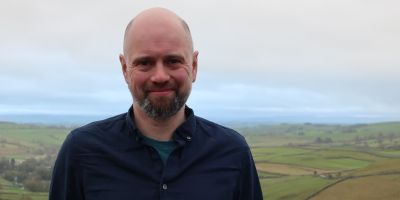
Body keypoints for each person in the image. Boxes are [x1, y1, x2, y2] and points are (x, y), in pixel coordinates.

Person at [49, 7, 263, 200]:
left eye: (173, 61)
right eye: (145, 63)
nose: (160, 76)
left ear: (194, 65)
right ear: (125, 69)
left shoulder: (233, 151)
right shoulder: (81, 151)